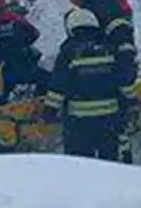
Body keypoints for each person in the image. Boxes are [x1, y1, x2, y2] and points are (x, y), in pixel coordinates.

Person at [60, 0, 138, 162]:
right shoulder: (97, 4)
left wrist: (119, 58)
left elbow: (120, 34)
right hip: (112, 61)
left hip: (115, 61)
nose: (73, 1)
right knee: (115, 117)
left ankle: (123, 161)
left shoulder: (101, 6)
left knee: (119, 116)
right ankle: (121, 157)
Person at [42, 8, 135, 161]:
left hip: (79, 122)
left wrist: (49, 110)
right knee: (110, 163)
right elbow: (122, 79)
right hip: (109, 119)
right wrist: (132, 100)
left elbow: (58, 85)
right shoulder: (110, 48)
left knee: (80, 165)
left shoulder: (69, 51)